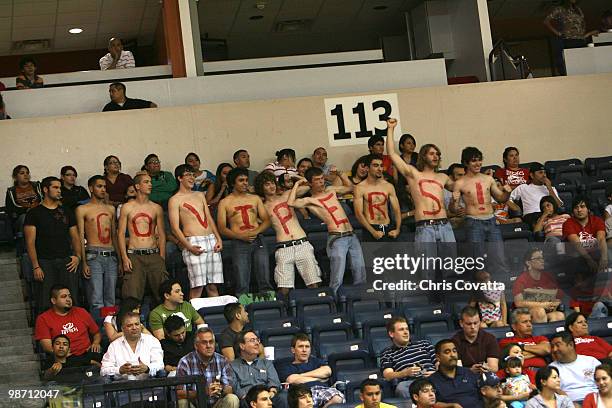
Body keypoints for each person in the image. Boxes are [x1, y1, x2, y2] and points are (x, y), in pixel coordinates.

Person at [386, 119, 457, 284]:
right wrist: (390, 129)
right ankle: (430, 305)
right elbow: (392, 154)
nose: (436, 156)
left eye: (437, 154)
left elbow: (460, 188)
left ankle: (450, 303)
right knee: (427, 271)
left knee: (451, 269)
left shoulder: (443, 176)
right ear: (423, 155)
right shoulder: (413, 174)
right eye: (432, 153)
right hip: (425, 227)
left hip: (445, 225)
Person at [298, 167, 365, 293]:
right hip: (336, 237)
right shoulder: (310, 200)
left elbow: (351, 188)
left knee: (360, 271)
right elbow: (291, 202)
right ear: (310, 183)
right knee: (337, 277)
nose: (321, 182)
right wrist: (298, 183)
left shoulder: (331, 190)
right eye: (317, 180)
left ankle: (360, 301)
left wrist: (340, 173)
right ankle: (334, 303)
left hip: (351, 235)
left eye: (322, 179)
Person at [255, 172, 322, 296]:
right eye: (267, 184)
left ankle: (318, 308)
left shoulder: (286, 195)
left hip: (302, 242)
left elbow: (308, 185)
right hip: (283, 247)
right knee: (283, 287)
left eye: (273, 183)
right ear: (261, 187)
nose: (272, 186)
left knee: (313, 283)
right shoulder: (262, 207)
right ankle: (286, 312)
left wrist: (295, 179)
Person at [453, 146, 512, 278]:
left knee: (498, 256)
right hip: (473, 222)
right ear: (466, 162)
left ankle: (502, 291)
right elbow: (454, 209)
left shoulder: (488, 179)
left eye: (479, 160)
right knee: (477, 260)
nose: (478, 163)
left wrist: (507, 192)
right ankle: (480, 295)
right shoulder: (460, 183)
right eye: (474, 161)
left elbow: (501, 198)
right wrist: (453, 202)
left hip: (491, 220)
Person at [24, 176, 81, 312]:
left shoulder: (67, 211)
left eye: (60, 188)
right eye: (55, 187)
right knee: (45, 301)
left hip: (66, 261)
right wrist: (36, 266)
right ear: (45, 189)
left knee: (72, 300)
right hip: (45, 262)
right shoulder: (34, 213)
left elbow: (75, 237)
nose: (59, 190)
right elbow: (30, 242)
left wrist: (78, 256)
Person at [217, 168, 274, 300]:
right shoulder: (225, 202)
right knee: (242, 279)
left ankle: (270, 306)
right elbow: (222, 228)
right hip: (238, 242)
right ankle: (245, 310)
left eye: (246, 180)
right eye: (241, 180)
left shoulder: (255, 199)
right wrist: (240, 236)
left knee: (264, 274)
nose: (245, 183)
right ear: (232, 183)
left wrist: (256, 231)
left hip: (258, 239)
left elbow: (266, 220)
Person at [169, 164, 224, 298]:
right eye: (188, 175)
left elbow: (209, 218)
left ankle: (215, 317)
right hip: (193, 241)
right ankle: (194, 318)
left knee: (213, 285)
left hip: (210, 239)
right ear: (179, 178)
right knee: (197, 286)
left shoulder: (200, 195)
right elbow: (175, 228)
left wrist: (218, 238)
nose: (192, 178)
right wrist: (188, 247)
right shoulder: (174, 200)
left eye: (193, 175)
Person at [117, 172, 168, 304]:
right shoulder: (127, 207)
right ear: (137, 186)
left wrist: (161, 256)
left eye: (150, 182)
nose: (150, 185)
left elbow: (162, 234)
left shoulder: (156, 208)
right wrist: (124, 258)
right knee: (132, 296)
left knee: (163, 294)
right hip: (134, 254)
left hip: (153, 253)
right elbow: (121, 234)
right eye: (146, 182)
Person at [75, 175, 119, 310]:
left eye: (104, 187)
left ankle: (111, 329)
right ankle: (99, 329)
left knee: (111, 298)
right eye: (99, 186)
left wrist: (121, 260)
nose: (103, 189)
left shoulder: (111, 209)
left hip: (111, 254)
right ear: (91, 188)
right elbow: (80, 236)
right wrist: (84, 262)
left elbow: (114, 235)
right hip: (93, 254)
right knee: (96, 298)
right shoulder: (82, 209)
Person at [275, 333, 345, 408]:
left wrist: (300, 376)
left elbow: (327, 371)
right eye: (301, 346)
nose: (304, 350)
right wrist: (318, 378)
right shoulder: (286, 366)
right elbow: (291, 379)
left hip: (321, 389)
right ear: (293, 350)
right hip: (302, 393)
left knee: (338, 398)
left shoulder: (315, 361)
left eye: (307, 347)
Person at [176, 327, 238, 408]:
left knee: (232, 398)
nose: (208, 346)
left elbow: (230, 388)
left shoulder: (223, 361)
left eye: (211, 342)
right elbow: (179, 393)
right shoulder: (185, 362)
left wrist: (220, 389)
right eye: (204, 342)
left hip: (217, 404)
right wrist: (202, 392)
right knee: (182, 402)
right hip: (195, 405)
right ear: (196, 345)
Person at [35, 285, 102, 358]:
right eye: (64, 296)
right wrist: (61, 354)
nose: (68, 299)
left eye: (69, 296)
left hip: (87, 353)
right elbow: (47, 346)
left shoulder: (81, 311)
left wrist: (95, 343)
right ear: (53, 301)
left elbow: (96, 333)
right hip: (64, 357)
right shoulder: (43, 318)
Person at [380, 317, 437, 399]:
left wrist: (436, 373)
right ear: (391, 334)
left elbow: (439, 363)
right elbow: (388, 375)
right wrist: (404, 373)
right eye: (401, 329)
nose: (406, 332)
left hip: (432, 378)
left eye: (407, 329)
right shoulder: (387, 353)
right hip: (411, 383)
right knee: (401, 388)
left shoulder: (424, 344)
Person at [230, 330, 286, 407]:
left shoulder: (266, 363)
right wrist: (250, 398)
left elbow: (274, 382)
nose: (257, 343)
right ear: (242, 346)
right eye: (252, 340)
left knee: (283, 397)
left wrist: (270, 394)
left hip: (268, 395)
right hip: (247, 398)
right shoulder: (232, 366)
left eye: (257, 340)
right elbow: (236, 388)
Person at [353, 154, 401, 242]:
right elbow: (358, 214)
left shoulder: (388, 186)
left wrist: (397, 229)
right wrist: (373, 232)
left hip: (388, 228)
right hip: (371, 228)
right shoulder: (360, 188)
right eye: (375, 165)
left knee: (393, 255)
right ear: (367, 168)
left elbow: (397, 210)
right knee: (371, 256)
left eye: (381, 166)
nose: (380, 169)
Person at [100, 312, 164, 378]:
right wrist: (119, 370)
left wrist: (147, 368)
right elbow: (104, 370)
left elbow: (160, 365)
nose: (134, 328)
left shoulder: (152, 341)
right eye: (129, 325)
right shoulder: (114, 346)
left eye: (137, 324)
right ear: (122, 328)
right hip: (122, 386)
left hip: (149, 385)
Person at [544, 0, 599, 76]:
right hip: (569, 40)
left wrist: (588, 34)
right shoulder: (560, 9)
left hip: (581, 40)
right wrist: (558, 33)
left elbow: (582, 25)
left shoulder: (577, 9)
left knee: (583, 65)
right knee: (572, 65)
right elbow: (546, 21)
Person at [512, 248, 565, 323]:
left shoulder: (548, 277)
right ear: (528, 263)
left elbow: (560, 295)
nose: (542, 260)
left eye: (542, 258)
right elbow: (518, 303)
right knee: (539, 311)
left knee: (559, 315)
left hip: (549, 310)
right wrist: (542, 305)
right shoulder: (521, 279)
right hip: (528, 313)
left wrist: (553, 304)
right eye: (538, 258)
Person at [429, 339, 483, 408]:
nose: (452, 355)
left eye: (454, 351)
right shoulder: (432, 381)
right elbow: (432, 403)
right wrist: (450, 406)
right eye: (447, 352)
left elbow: (484, 393)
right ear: (438, 357)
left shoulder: (469, 373)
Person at [549, 332, 600, 404]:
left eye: (557, 345)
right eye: (552, 346)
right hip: (571, 403)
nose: (554, 349)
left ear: (571, 345)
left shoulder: (591, 361)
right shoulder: (551, 368)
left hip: (597, 400)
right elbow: (552, 392)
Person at [507, 163, 562, 228]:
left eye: (545, 173)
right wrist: (516, 207)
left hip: (551, 215)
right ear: (532, 175)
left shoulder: (551, 188)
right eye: (540, 173)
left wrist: (549, 188)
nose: (544, 175)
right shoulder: (523, 187)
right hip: (532, 216)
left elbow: (559, 205)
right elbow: (507, 199)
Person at [563, 196, 608, 273]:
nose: (579, 210)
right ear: (573, 211)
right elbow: (576, 243)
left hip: (596, 253)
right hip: (577, 255)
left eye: (582, 206)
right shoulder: (568, 223)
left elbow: (601, 239)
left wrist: (604, 258)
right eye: (576, 207)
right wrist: (589, 260)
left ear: (588, 209)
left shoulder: (597, 220)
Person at [451, 305, 500, 373]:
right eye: (469, 324)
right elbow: (457, 370)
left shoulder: (489, 338)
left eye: (475, 323)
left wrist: (484, 368)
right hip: (464, 378)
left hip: (485, 374)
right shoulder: (455, 341)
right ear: (461, 323)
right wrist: (470, 370)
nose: (473, 327)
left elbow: (494, 368)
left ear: (480, 322)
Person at [5, 165, 42, 254]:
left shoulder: (37, 186)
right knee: (25, 218)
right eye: (22, 173)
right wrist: (27, 210)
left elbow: (43, 200)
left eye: (27, 173)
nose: (26, 175)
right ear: (15, 177)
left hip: (39, 213)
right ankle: (26, 249)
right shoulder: (11, 191)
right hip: (23, 217)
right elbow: (11, 209)